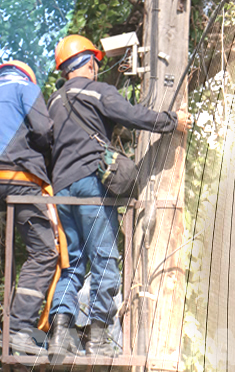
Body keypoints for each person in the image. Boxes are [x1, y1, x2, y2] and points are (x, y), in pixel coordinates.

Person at [46, 34, 191, 360]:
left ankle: (59, 337)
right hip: (89, 184)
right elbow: (131, 115)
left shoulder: (52, 102)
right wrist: (173, 122)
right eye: (95, 63)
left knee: (71, 265)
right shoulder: (96, 90)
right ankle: (97, 340)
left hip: (60, 190)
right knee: (104, 260)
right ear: (89, 63)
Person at [0, 61, 57, 356]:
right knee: (45, 251)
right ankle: (21, 328)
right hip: (18, 177)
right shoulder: (24, 86)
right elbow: (43, 129)